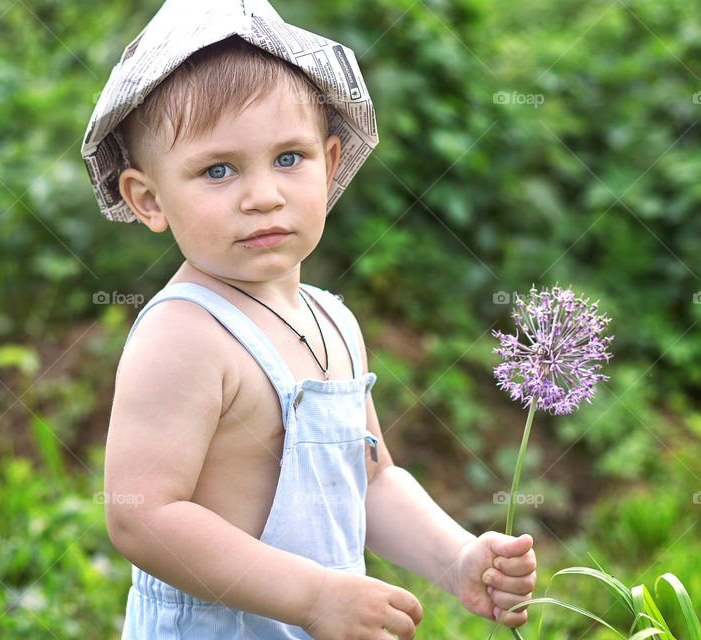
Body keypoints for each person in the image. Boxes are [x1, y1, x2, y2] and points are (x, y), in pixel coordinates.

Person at [84, 2, 537, 638]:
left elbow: (372, 481)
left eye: (289, 158)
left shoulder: (333, 321)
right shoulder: (184, 334)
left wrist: (454, 556)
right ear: (149, 199)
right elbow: (143, 516)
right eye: (219, 170)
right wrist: (313, 596)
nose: (263, 194)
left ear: (329, 163)